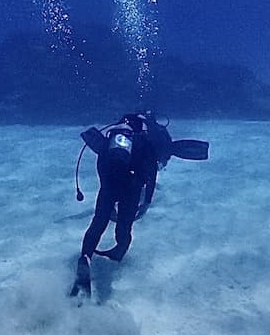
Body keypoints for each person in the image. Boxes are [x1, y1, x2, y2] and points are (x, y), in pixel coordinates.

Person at [72, 111, 208, 296]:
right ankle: (117, 255)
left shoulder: (110, 141)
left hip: (109, 183)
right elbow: (151, 175)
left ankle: (86, 256)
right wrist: (147, 201)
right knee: (124, 227)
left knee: (98, 222)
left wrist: (106, 189)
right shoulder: (145, 142)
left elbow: (102, 165)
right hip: (132, 187)